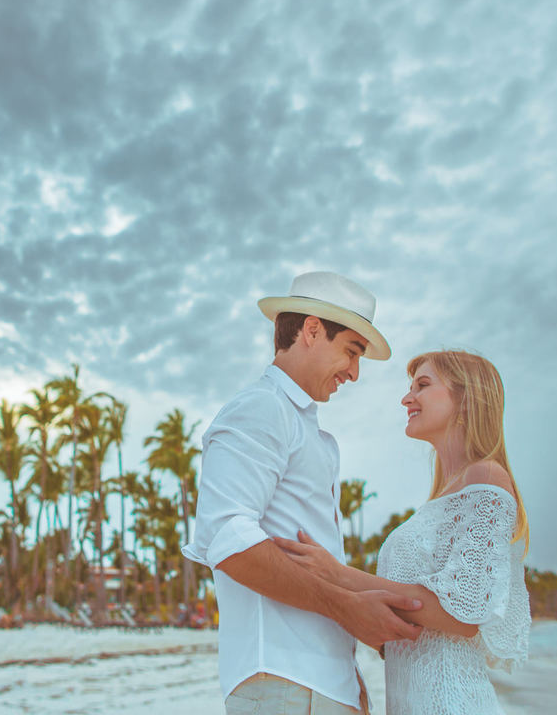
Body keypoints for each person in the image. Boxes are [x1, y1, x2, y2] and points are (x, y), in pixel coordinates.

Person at [182, 271, 425, 715]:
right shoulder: (262, 407)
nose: (354, 373)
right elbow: (224, 535)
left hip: (320, 686)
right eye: (352, 351)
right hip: (284, 682)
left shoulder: (304, 428)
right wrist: (347, 608)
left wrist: (350, 680)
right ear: (312, 330)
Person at [276, 350, 531, 714]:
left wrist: (338, 575)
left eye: (422, 386)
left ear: (465, 398)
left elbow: (463, 615)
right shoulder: (443, 497)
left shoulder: (486, 476)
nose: (406, 398)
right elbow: (423, 619)